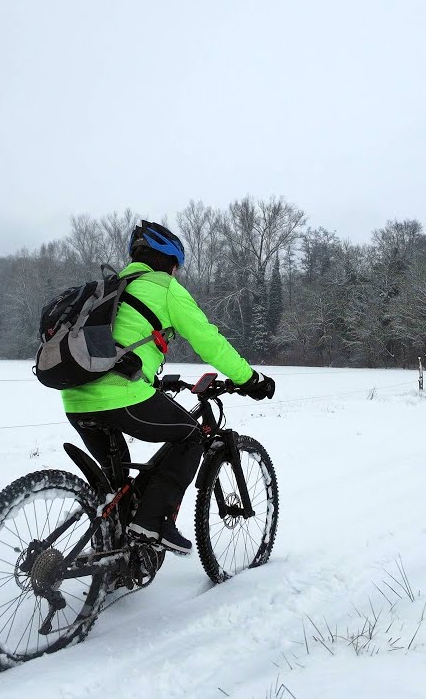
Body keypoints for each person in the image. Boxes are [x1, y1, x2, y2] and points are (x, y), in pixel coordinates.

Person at [61, 220, 275, 555]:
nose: (175, 275)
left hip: (76, 398)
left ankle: (116, 560)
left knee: (116, 490)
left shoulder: (113, 287)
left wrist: (150, 379)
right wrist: (249, 378)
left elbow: (117, 346)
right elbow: (210, 342)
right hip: (122, 397)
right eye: (176, 268)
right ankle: (152, 523)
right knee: (191, 436)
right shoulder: (163, 287)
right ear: (170, 263)